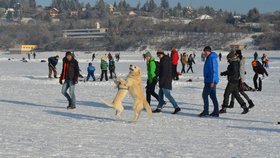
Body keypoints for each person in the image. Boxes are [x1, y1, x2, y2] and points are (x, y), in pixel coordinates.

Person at [153, 50, 181, 114]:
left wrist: (161, 81)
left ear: (162, 54)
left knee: (167, 95)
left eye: (159, 55)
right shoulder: (164, 59)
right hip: (164, 80)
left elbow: (164, 72)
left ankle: (176, 107)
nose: (159, 57)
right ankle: (159, 108)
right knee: (160, 95)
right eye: (158, 55)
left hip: (165, 81)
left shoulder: (165, 60)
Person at [199, 46, 219, 117]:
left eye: (205, 52)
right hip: (209, 80)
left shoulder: (212, 58)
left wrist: (212, 81)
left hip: (211, 81)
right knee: (212, 96)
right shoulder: (209, 58)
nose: (204, 53)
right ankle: (216, 111)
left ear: (209, 51)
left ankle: (206, 111)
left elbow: (214, 70)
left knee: (204, 95)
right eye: (204, 52)